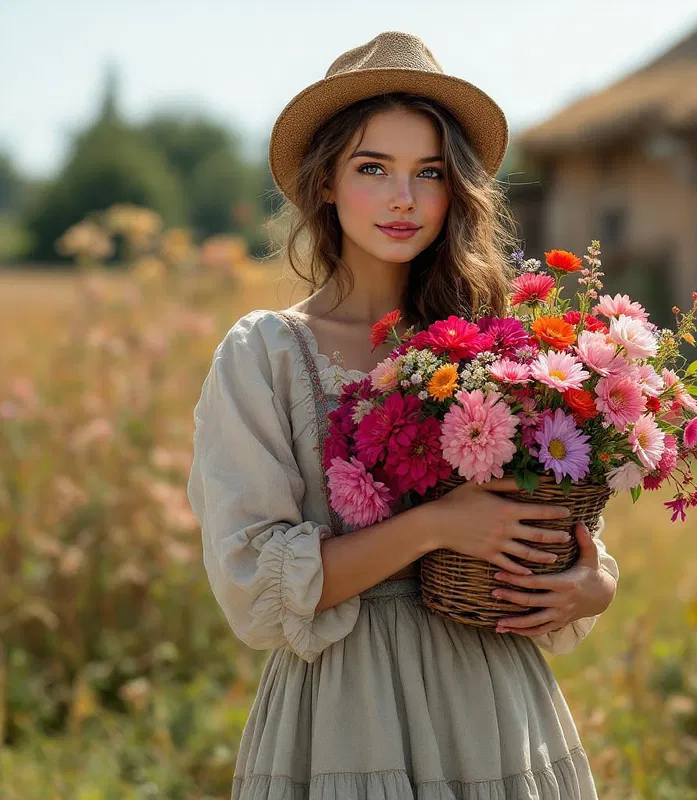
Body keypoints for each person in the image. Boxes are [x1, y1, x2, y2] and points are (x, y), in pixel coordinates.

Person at [187, 30, 619, 800]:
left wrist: (594, 584)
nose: (403, 199)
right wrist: (434, 526)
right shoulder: (264, 356)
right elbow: (255, 590)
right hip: (342, 719)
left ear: (455, 188)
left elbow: (563, 525)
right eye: (372, 169)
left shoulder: (498, 347)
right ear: (325, 184)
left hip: (492, 706)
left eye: (428, 172)